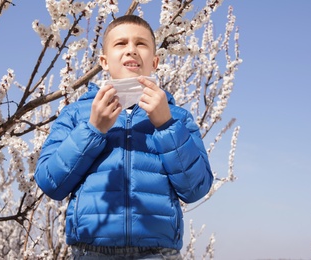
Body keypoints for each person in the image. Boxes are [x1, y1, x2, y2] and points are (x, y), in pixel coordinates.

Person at [34, 15, 213, 259]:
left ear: (156, 61)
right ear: (104, 61)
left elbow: (196, 189)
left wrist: (166, 125)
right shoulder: (76, 114)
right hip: (91, 251)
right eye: (121, 43)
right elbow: (50, 182)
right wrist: (93, 129)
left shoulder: (177, 117)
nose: (131, 50)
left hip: (158, 253)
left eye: (141, 44)